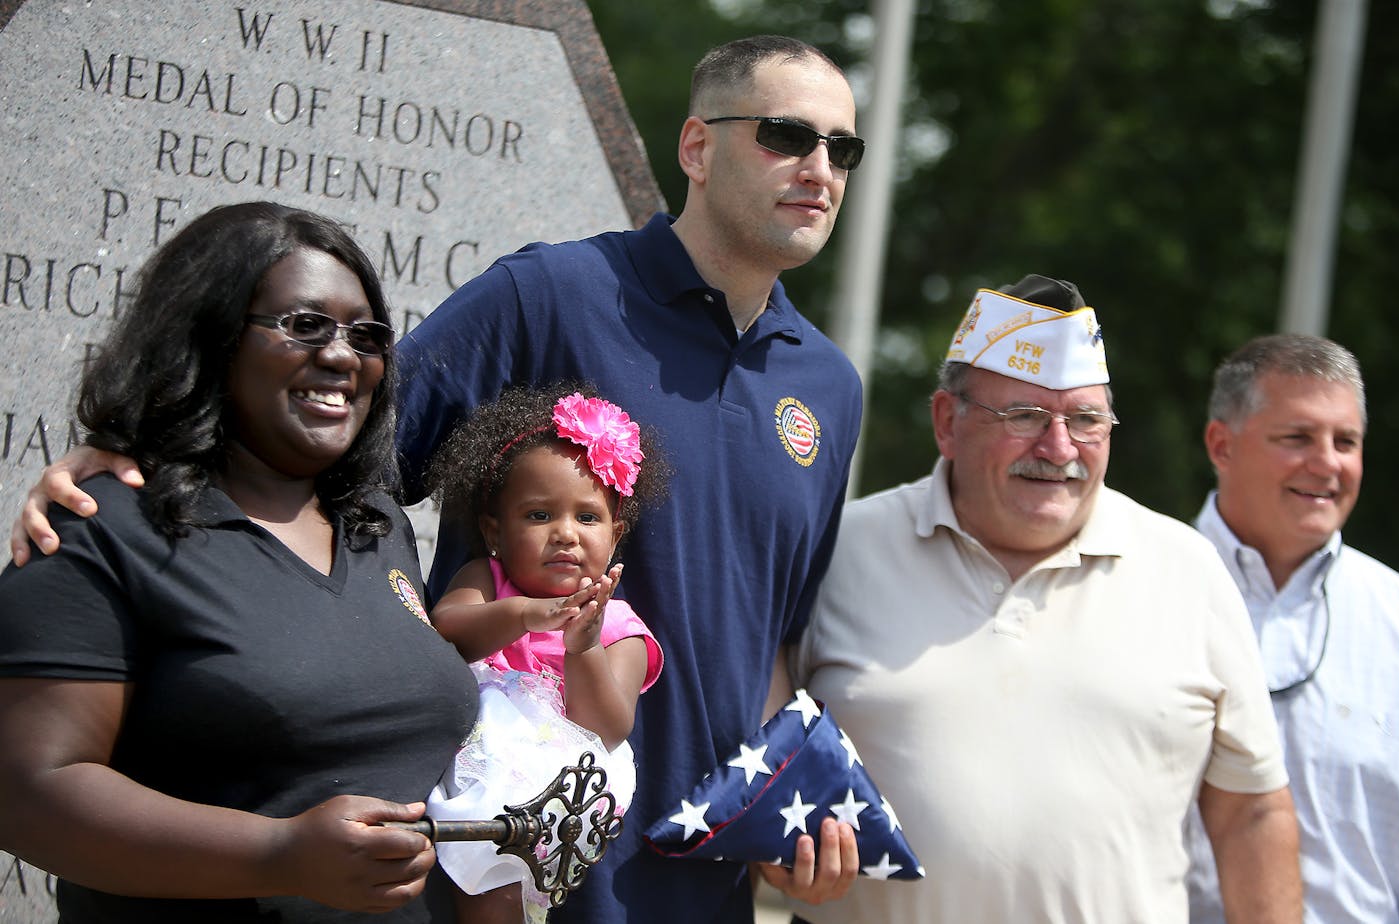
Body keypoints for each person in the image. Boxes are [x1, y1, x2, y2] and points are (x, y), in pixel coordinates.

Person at [10, 35, 863, 924]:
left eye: (843, 149)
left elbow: (773, 646)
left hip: (698, 888)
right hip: (502, 880)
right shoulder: (550, 294)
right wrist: (127, 461)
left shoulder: (830, 391)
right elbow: (325, 448)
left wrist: (787, 822)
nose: (819, 168)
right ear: (696, 146)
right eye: (786, 135)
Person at [0, 202, 480, 922]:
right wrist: (280, 853)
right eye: (305, 324)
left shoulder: (375, 524)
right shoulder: (102, 528)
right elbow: (28, 792)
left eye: (366, 334)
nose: (344, 356)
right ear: (212, 334)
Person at [786, 274, 1304, 924]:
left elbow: (1251, 811)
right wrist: (780, 855)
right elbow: (762, 745)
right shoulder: (838, 552)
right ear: (948, 422)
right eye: (1024, 416)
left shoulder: (1188, 571)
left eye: (1086, 420)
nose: (1059, 448)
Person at [1184, 334, 1399, 922]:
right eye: (1297, 438)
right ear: (1222, 444)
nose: (1327, 464)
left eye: (1346, 442)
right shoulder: (1133, 591)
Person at [419, 383, 670, 921]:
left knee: (504, 890)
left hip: (554, 793)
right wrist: (525, 613)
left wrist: (582, 643)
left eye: (587, 517)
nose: (565, 534)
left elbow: (604, 727)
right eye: (538, 516)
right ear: (495, 530)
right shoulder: (490, 580)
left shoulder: (619, 628)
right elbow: (448, 629)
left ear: (615, 534)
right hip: (462, 762)